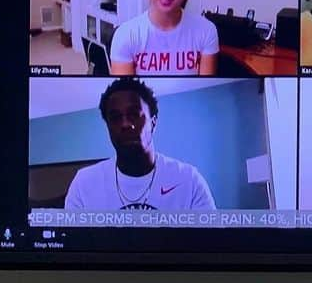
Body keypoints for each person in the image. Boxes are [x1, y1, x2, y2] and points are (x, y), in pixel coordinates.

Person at [64, 77, 216, 210]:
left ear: (153, 122)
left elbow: (213, 242)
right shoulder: (84, 184)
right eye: (115, 117)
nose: (125, 124)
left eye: (134, 114)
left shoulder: (189, 181)